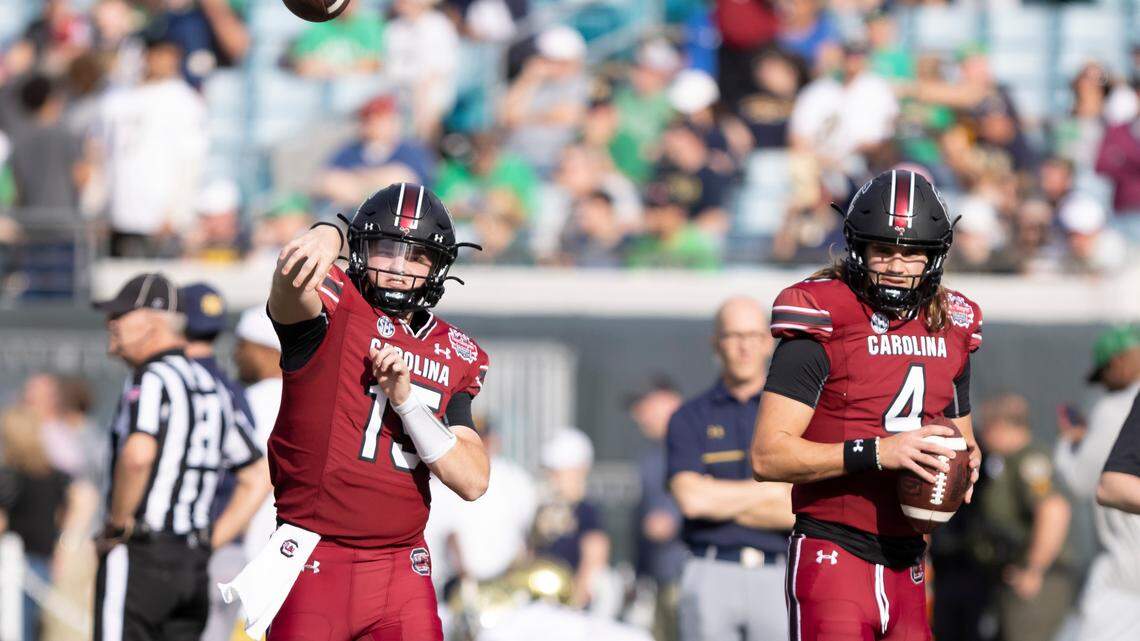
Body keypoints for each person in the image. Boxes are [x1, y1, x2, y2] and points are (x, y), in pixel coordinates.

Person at [225, 182, 491, 641]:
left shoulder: (457, 352)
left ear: (438, 267)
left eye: (416, 256)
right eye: (387, 249)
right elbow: (292, 285)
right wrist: (329, 233)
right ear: (362, 247)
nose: (398, 267)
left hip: (401, 566)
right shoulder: (336, 308)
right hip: (315, 556)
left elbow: (472, 480)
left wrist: (407, 402)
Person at [750, 169, 984, 641]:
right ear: (858, 248)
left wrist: (964, 466)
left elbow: (965, 441)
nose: (896, 266)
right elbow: (767, 455)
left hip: (911, 561)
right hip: (835, 550)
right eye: (883, 250)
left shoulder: (955, 321)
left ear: (934, 256)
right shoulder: (823, 313)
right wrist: (879, 452)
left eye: (912, 253)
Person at [91, 272, 270, 641]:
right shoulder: (213, 386)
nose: (111, 324)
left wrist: (117, 524)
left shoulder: (152, 377)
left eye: (120, 315)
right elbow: (258, 475)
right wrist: (211, 540)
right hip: (193, 563)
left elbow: (138, 456)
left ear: (151, 322)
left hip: (142, 552)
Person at [667, 296, 794, 641]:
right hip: (709, 571)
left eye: (753, 336)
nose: (743, 347)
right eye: (733, 336)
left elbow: (798, 509)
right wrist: (770, 491)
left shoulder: (796, 414)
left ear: (768, 343)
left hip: (778, 573)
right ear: (716, 343)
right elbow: (693, 501)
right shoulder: (688, 417)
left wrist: (719, 498)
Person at [1054, 325, 1140, 641]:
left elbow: (1082, 482)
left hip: (1125, 574)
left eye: (1105, 373)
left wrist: (1068, 444)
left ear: (1119, 361)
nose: (1104, 384)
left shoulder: (1112, 409)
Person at [532, 427, 612, 611]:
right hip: (544, 602)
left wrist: (577, 598)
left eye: (558, 472)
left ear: (580, 470)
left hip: (571, 605)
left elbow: (595, 554)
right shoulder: (544, 509)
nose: (552, 478)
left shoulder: (586, 511)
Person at [630, 378, 685, 641]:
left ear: (668, 402)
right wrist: (638, 576)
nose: (638, 416)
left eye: (644, 407)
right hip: (661, 579)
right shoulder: (651, 458)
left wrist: (674, 519)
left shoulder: (699, 444)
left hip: (691, 574)